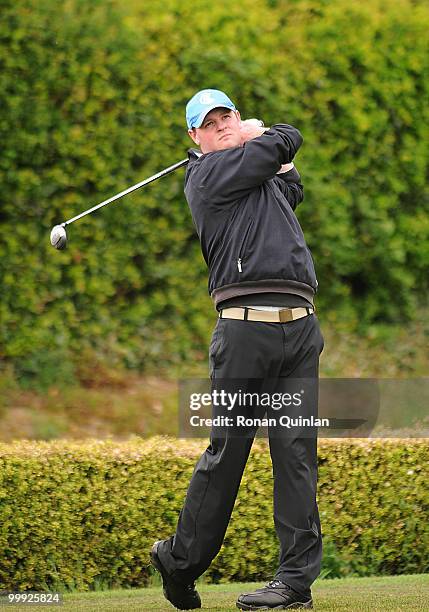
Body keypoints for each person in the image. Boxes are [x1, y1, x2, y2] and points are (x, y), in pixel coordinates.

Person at [151, 89, 324, 610]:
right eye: (212, 121)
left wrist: (270, 150)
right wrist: (260, 131)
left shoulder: (259, 177)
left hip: (300, 330)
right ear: (195, 138)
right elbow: (287, 137)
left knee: (297, 456)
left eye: (228, 115)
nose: (224, 124)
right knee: (228, 454)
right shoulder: (205, 177)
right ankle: (178, 561)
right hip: (244, 334)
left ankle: (295, 581)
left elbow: (289, 183)